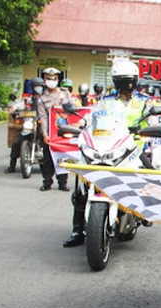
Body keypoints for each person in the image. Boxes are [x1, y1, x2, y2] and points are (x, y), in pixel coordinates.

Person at [63, 58, 151, 248]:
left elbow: (152, 122)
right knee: (82, 181)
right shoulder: (106, 101)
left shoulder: (144, 101)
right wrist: (81, 124)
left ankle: (144, 211)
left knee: (149, 171)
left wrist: (148, 130)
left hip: (133, 146)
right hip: (106, 145)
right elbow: (92, 117)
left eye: (127, 80)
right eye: (120, 80)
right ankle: (77, 230)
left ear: (134, 80)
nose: (125, 84)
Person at [36, 67, 73, 192]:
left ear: (58, 79)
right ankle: (47, 182)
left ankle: (63, 183)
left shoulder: (65, 93)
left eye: (54, 78)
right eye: (48, 78)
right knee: (48, 159)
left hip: (64, 132)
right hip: (50, 133)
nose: (51, 80)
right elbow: (43, 117)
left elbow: (72, 111)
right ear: (44, 80)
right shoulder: (42, 98)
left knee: (62, 157)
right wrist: (45, 134)